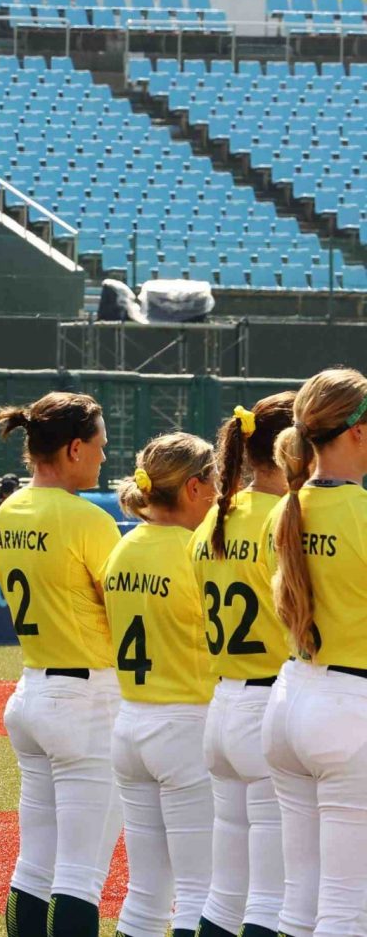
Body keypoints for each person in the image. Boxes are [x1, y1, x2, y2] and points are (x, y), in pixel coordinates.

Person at [0, 392, 122, 937]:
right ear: (72, 449)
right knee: (79, 875)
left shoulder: (8, 510)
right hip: (86, 698)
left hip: (34, 689)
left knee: (35, 865)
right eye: (98, 447)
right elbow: (121, 611)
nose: (103, 458)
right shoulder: (87, 519)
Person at [263, 366, 367, 937]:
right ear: (355, 432)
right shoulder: (359, 513)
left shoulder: (288, 507)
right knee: (346, 909)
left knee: (299, 905)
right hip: (348, 710)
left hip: (292, 700)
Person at [104, 433, 218, 937]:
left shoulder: (124, 547)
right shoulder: (197, 549)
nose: (219, 492)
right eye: (213, 481)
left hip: (130, 722)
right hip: (187, 723)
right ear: (193, 488)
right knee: (201, 889)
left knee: (147, 891)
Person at [194, 394, 296, 937]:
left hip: (225, 704)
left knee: (226, 893)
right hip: (269, 705)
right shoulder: (283, 516)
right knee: (270, 899)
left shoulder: (217, 512)